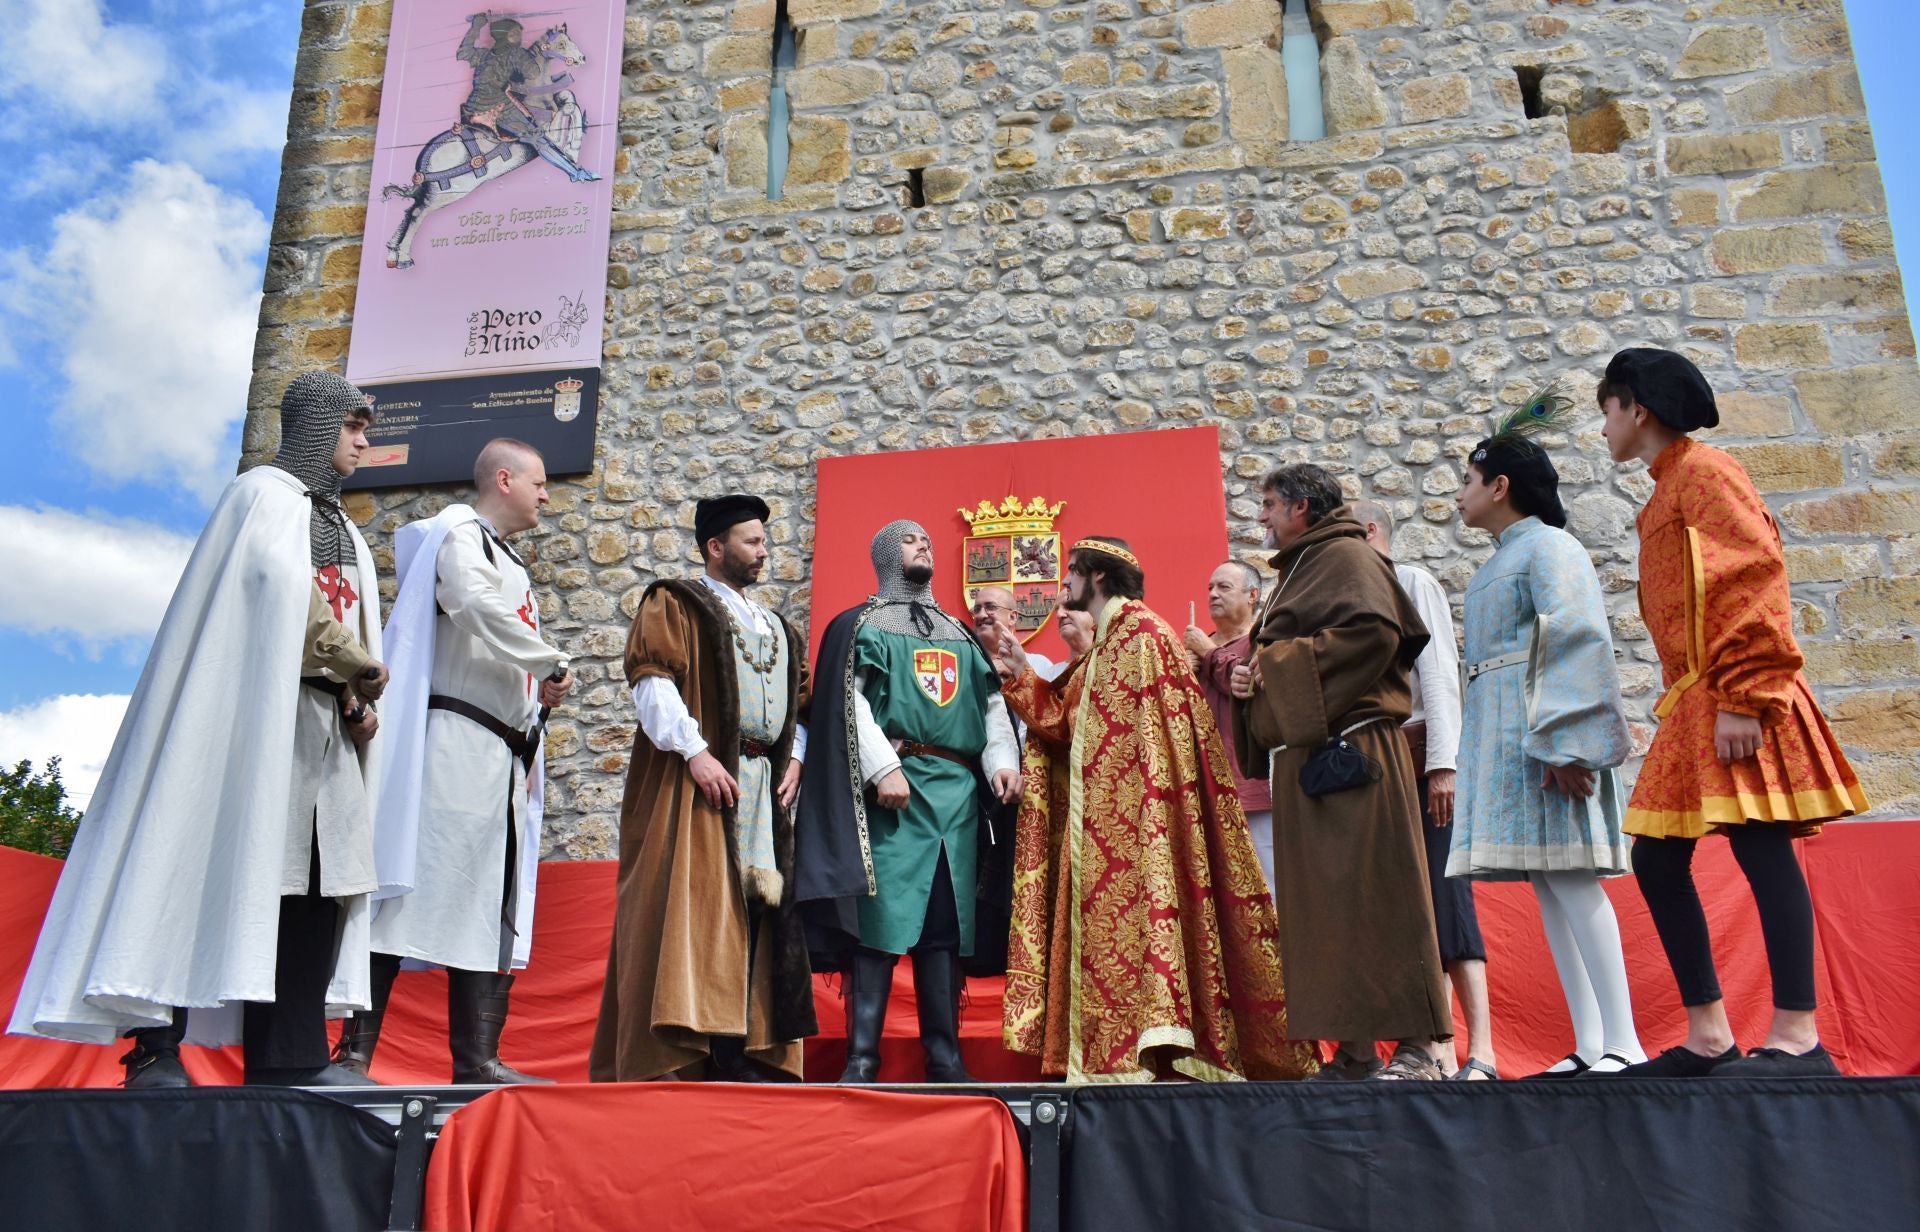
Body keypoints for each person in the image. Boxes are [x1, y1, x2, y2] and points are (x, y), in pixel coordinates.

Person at [11, 372, 390, 1088]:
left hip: (318, 734)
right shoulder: (261, 500)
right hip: (243, 726)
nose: (364, 441)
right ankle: (156, 1045)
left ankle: (292, 1058)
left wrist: (357, 700)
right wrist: (357, 662)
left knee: (313, 887)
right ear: (314, 426)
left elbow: (343, 630)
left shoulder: (340, 528)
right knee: (192, 856)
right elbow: (285, 600)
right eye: (353, 427)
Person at [1597, 348, 1867, 1077]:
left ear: (1637, 409)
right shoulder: (1665, 488)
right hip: (1696, 698)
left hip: (1732, 694)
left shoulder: (1705, 471)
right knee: (1656, 857)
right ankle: (1710, 1034)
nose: (1604, 428)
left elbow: (1751, 573)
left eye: (1607, 412)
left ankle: (1798, 1036)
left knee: (1760, 844)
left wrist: (1747, 696)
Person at [984, 537, 1317, 1083]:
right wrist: (1021, 670)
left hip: (1144, 836)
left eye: (1071, 571)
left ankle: (1159, 1056)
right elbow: (1068, 727)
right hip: (1102, 838)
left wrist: (1145, 826)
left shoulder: (1143, 636)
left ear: (1097, 578)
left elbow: (1162, 750)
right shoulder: (1112, 642)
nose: (1063, 583)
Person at [341, 439, 573, 1084]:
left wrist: (538, 695)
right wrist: (547, 657)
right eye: (539, 482)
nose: (547, 495)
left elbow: (501, 642)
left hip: (497, 749)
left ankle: (476, 1059)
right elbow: (470, 603)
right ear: (505, 479)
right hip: (454, 742)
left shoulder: (510, 562)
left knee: (481, 895)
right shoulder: (457, 533)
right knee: (411, 887)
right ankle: (354, 1056)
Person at [1441, 399, 1647, 1079]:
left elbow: (1576, 635)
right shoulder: (1499, 561)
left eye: (1469, 479)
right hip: (1510, 736)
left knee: (1577, 880)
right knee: (1551, 884)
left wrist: (1567, 744)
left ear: (1500, 486)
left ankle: (1624, 1040)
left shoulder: (1552, 548)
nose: (1460, 494)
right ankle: (1591, 1043)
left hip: (1544, 736)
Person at [1231, 464, 1452, 1081]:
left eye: (1269, 504)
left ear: (1302, 507)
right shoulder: (1305, 565)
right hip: (1312, 763)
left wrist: (1272, 669)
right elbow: (1279, 654)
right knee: (1326, 913)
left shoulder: (1347, 557)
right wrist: (1253, 677)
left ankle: (1416, 1049)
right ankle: (1354, 1051)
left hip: (1356, 757)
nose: (1262, 517)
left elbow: (1372, 636)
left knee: (1382, 897)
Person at [590, 495, 817, 1082]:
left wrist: (794, 757)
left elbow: (802, 705)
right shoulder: (676, 603)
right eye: (752, 541)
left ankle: (744, 1050)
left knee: (757, 912)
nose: (764, 551)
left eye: (765, 540)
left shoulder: (775, 625)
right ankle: (691, 1052)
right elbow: (652, 686)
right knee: (699, 909)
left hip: (764, 788)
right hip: (699, 783)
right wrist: (696, 754)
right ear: (716, 548)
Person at [795, 521, 1020, 1083]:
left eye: (926, 540)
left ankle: (944, 1058)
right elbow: (851, 703)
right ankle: (862, 1058)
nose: (924, 546)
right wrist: (885, 767)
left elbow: (990, 708)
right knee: (881, 921)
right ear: (885, 555)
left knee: (945, 926)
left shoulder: (959, 634)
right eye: (910, 540)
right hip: (895, 793)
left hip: (957, 798)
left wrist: (1002, 765)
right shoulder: (864, 625)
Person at [1350, 499, 1498, 1081]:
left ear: (1369, 531)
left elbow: (1437, 677)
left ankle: (1482, 1050)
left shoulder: (1412, 581)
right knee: (1418, 910)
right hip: (1385, 772)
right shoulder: (1355, 596)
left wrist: (1443, 765)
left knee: (1450, 905)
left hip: (1423, 763)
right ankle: (1438, 1049)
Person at [1184, 561, 1277, 899]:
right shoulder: (1197, 650)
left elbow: (1245, 685)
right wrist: (1183, 671)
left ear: (1253, 595)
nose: (1212, 594)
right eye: (1210, 587)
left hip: (1251, 789)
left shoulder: (1263, 640)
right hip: (1205, 789)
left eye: (1224, 587)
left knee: (1267, 887)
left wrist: (1208, 653)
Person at [456, 13, 598, 183]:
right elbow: (533, 72)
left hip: (471, 107)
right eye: (514, 33)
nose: (519, 37)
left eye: (519, 33)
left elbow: (463, 52)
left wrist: (476, 26)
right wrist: (540, 49)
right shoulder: (515, 54)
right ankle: (575, 173)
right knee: (538, 139)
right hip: (499, 108)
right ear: (502, 36)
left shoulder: (483, 55)